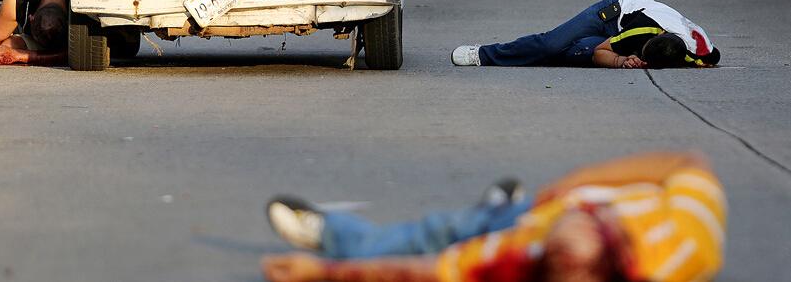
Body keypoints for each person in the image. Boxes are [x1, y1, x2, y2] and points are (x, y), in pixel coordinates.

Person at [262, 151, 725, 282]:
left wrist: (318, 274)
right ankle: (502, 209)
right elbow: (686, 163)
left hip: (521, 232)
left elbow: (426, 271)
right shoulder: (687, 237)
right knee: (470, 225)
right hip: (550, 212)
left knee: (439, 234)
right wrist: (574, 184)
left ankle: (336, 234)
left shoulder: (521, 258)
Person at [450, 0, 719, 68]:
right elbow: (603, 52)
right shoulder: (643, 30)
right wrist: (622, 60)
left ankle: (535, 54)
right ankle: (484, 54)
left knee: (577, 52)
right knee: (551, 46)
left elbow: (712, 56)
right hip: (612, 13)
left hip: (640, 29)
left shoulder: (700, 52)